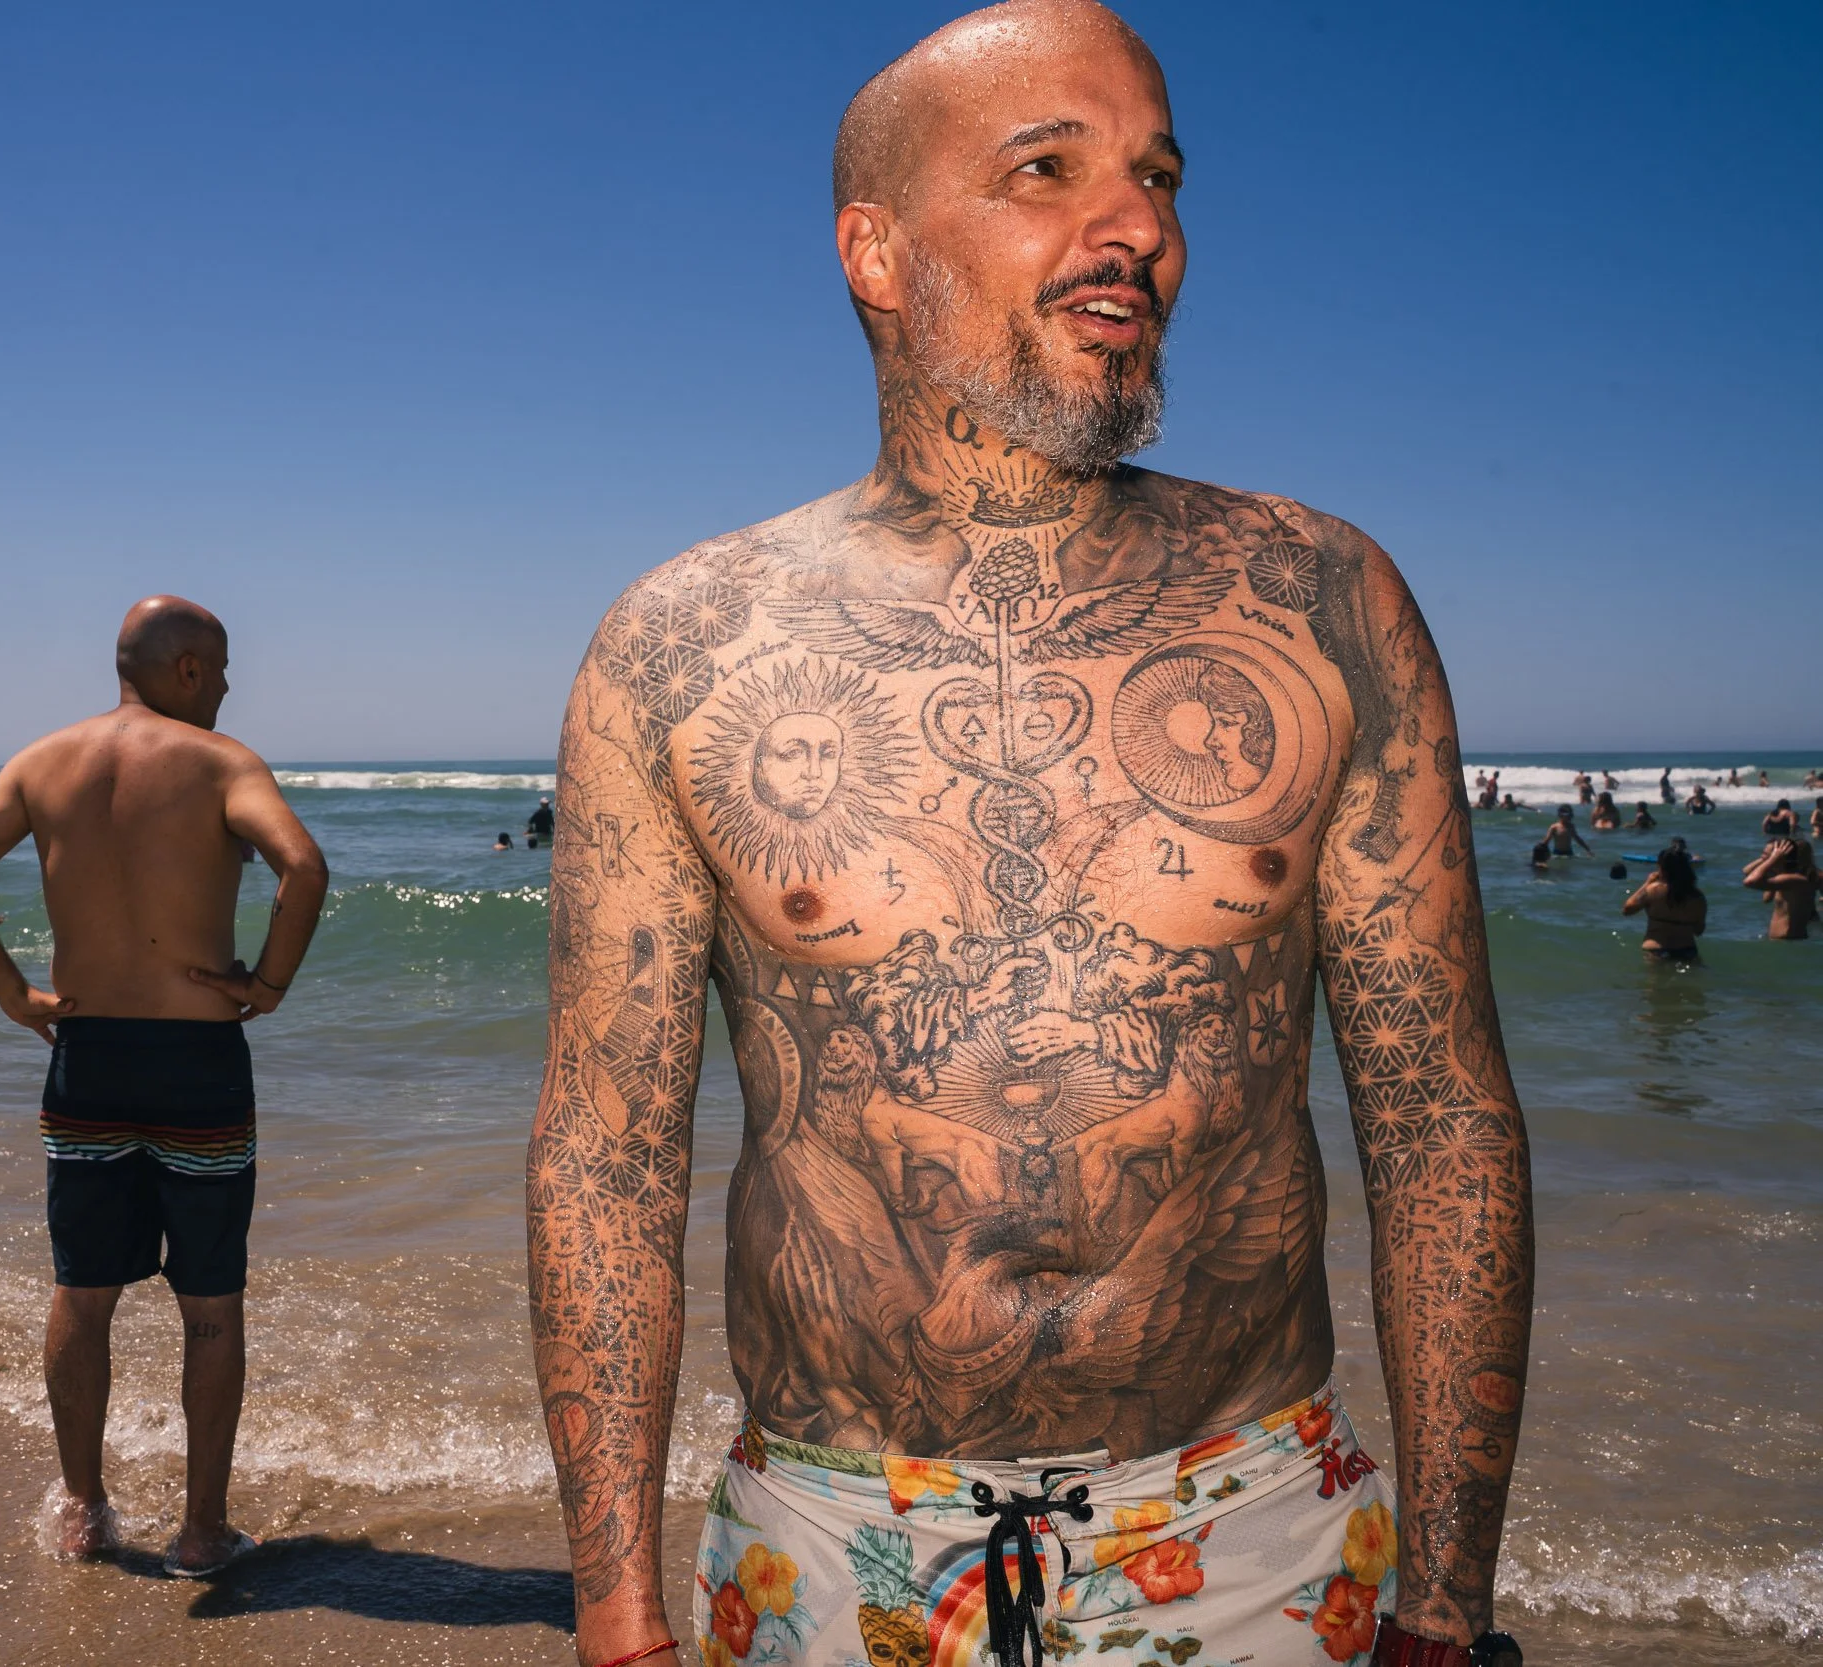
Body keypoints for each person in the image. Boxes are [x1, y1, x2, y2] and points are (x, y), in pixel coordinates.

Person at [526, 11, 1532, 1666]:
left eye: (1155, 177)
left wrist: (1444, 1591)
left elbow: (1441, 1117)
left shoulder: (1323, 604)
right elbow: (606, 1145)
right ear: (877, 250)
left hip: (1256, 1533)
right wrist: (616, 1600)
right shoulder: (683, 646)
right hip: (835, 1544)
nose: (1132, 225)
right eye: (1044, 172)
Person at [0, 596, 328, 1572]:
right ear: (185, 668)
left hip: (87, 1056)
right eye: (221, 669)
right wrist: (266, 986)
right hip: (198, 1063)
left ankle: (86, 1512)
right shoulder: (223, 764)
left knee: (84, 1291)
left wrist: (16, 993)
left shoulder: (42, 761)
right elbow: (302, 866)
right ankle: (200, 1529)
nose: (227, 688)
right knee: (210, 1302)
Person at [1623, 847, 1707, 963]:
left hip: (1656, 950)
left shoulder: (1653, 890)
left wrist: (1647, 883)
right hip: (1687, 951)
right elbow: (1699, 930)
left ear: (1662, 867)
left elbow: (1627, 910)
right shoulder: (1697, 896)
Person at [1743, 839, 1819, 940]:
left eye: (1767, 855)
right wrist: (1766, 859)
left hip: (1789, 941)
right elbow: (1747, 872)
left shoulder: (1794, 879)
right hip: (1784, 941)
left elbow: (1749, 882)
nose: (1764, 858)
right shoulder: (1783, 877)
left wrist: (1773, 858)